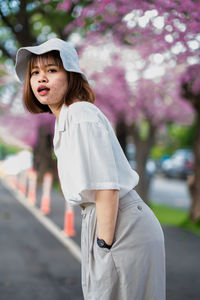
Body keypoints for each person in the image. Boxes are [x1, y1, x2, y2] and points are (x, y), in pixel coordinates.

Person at [15, 38, 166, 300]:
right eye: (35, 73)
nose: (42, 78)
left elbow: (107, 186)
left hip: (120, 224)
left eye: (52, 70)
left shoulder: (80, 114)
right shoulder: (66, 118)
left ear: (71, 76)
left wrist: (103, 243)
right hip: (104, 221)